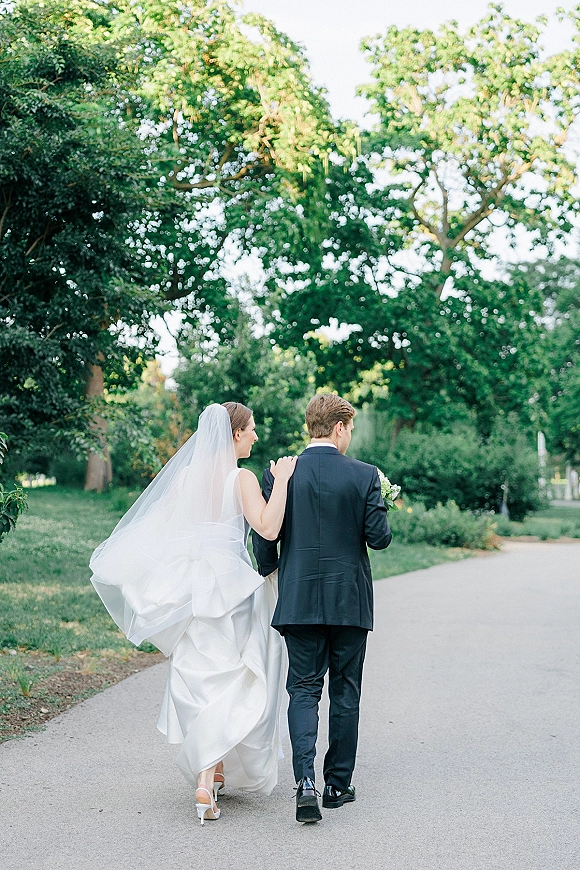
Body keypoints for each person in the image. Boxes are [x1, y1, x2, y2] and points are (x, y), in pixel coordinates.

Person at [90, 402, 296, 825]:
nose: (256, 437)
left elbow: (164, 529)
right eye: (252, 429)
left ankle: (214, 772)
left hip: (192, 585)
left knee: (204, 676)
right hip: (229, 587)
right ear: (234, 434)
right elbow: (269, 528)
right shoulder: (241, 478)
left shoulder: (185, 477)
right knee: (238, 675)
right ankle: (207, 775)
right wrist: (283, 484)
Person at [253, 393, 392, 823]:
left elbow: (264, 540)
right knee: (346, 690)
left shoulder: (281, 474)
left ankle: (304, 783)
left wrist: (277, 568)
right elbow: (379, 538)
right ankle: (337, 784)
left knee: (303, 690)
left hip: (298, 601)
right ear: (339, 427)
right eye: (349, 429)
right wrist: (380, 498)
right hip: (349, 602)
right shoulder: (365, 475)